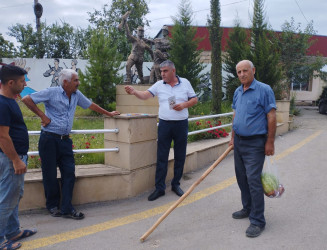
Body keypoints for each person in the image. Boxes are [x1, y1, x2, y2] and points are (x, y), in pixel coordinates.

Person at [22, 69, 120, 220]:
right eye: (76, 80)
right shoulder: (52, 92)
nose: (78, 83)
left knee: (69, 173)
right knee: (50, 174)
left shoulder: (76, 94)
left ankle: (67, 207)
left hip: (65, 141)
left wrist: (109, 113)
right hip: (49, 139)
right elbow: (26, 99)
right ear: (66, 82)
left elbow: (91, 105)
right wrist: (42, 116)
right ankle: (53, 206)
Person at [125, 60, 198, 201]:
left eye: (165, 71)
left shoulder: (185, 83)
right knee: (162, 156)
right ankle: (160, 188)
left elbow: (194, 99)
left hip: (181, 124)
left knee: (180, 155)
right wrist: (134, 92)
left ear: (173, 71)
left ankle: (176, 184)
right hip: (165, 124)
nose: (162, 74)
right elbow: (146, 95)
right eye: (161, 71)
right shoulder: (159, 85)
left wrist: (184, 105)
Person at [229, 60, 277, 238]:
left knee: (253, 181)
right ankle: (247, 208)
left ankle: (257, 221)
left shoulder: (264, 90)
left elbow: (271, 116)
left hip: (256, 143)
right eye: (239, 72)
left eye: (245, 71)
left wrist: (270, 141)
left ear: (253, 71)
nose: (242, 74)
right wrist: (233, 137)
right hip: (239, 142)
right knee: (242, 178)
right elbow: (236, 114)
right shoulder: (237, 91)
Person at [0, 65, 37, 250]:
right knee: (7, 199)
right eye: (22, 81)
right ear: (11, 82)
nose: (25, 84)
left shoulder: (9, 100)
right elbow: (2, 136)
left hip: (13, 157)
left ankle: (13, 231)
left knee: (14, 196)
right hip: (10, 159)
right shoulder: (2, 104)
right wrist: (15, 160)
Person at [118, 11, 153, 84]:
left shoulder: (144, 43)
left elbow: (150, 50)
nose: (141, 32)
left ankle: (142, 83)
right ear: (137, 32)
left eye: (142, 31)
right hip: (133, 56)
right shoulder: (134, 39)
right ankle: (128, 79)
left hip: (140, 59)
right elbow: (128, 34)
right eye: (140, 31)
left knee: (140, 74)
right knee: (128, 65)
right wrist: (125, 24)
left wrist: (153, 56)